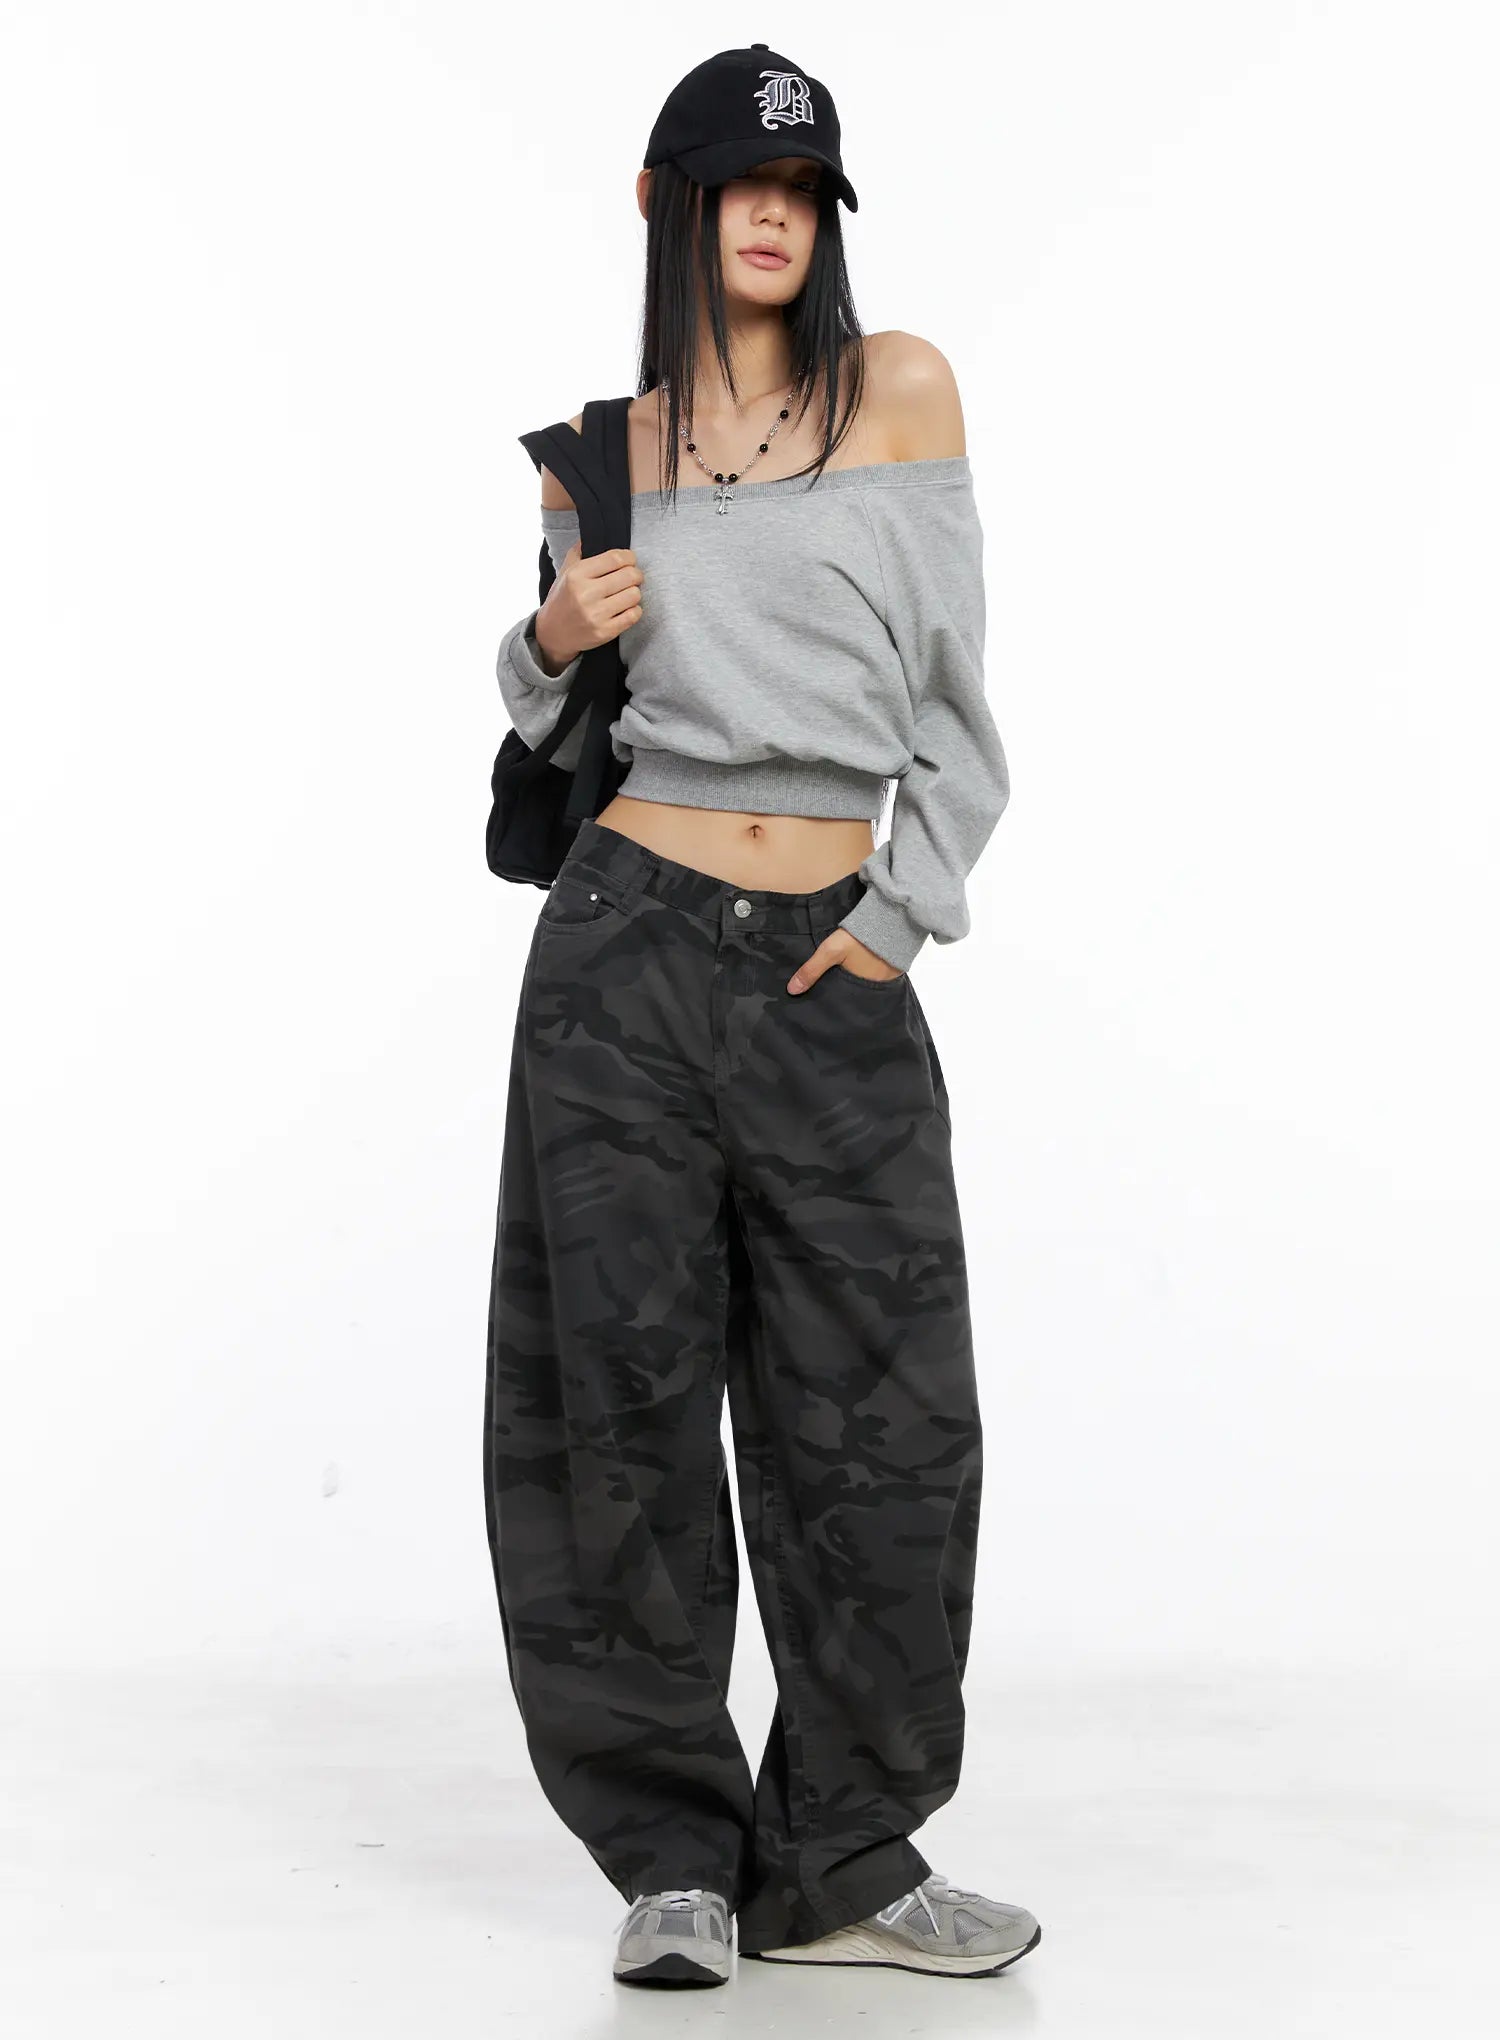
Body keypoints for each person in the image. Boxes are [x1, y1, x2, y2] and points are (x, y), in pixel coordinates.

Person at [483, 43, 1041, 1991]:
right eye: (744, 182)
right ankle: (673, 1863)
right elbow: (551, 708)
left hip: (830, 957)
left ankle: (848, 1855)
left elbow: (957, 707)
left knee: (891, 1416)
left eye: (805, 188)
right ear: (674, 204)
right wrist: (545, 634)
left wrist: (901, 918)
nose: (778, 214)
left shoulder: (905, 393)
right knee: (617, 1409)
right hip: (624, 952)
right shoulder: (606, 450)